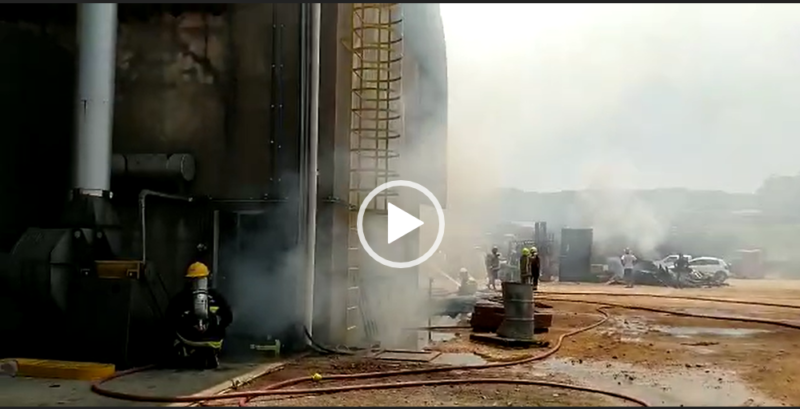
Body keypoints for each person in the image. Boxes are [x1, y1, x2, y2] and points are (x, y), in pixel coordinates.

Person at [166, 262, 233, 370]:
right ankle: (209, 354)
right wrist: (218, 327)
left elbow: (169, 320)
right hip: (212, 340)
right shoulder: (216, 296)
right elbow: (228, 317)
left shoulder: (180, 298)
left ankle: (185, 355)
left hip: (189, 339)